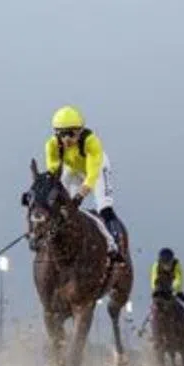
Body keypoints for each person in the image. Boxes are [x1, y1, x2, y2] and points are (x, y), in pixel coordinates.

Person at [45, 105, 127, 263]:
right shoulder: (51, 145)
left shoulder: (91, 142)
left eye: (71, 133)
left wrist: (79, 196)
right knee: (60, 205)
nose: (67, 139)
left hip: (95, 169)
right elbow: (54, 173)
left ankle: (115, 244)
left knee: (104, 206)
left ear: (80, 131)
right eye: (62, 134)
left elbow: (91, 176)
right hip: (73, 169)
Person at [150, 247, 184, 318]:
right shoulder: (156, 266)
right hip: (160, 289)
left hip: (173, 289)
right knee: (155, 303)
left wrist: (173, 287)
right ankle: (151, 318)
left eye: (169, 263)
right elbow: (153, 279)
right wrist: (157, 287)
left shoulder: (177, 265)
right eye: (165, 264)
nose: (167, 266)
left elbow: (179, 278)